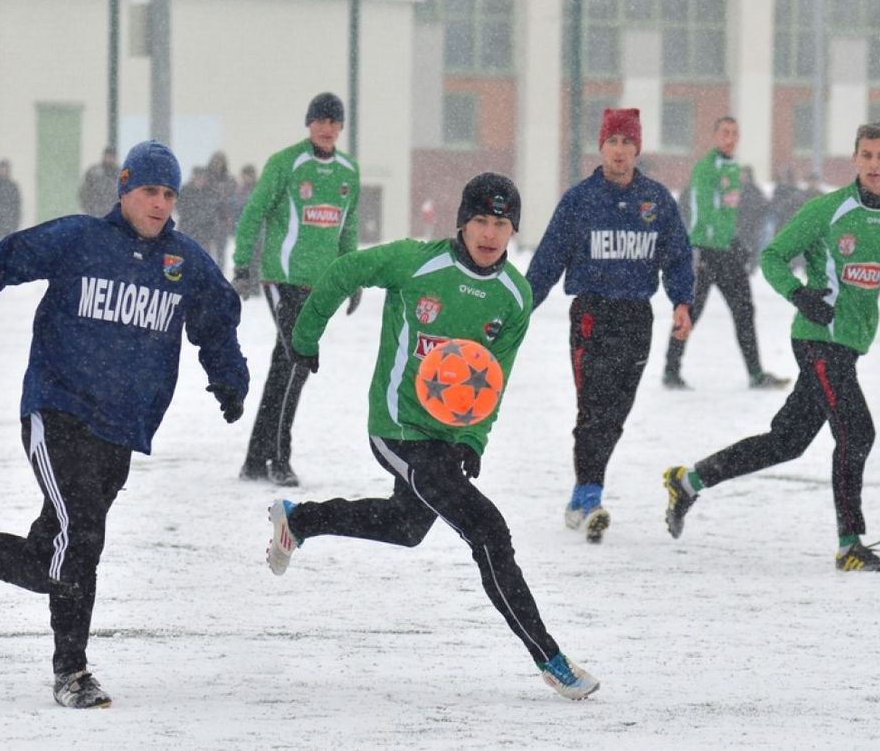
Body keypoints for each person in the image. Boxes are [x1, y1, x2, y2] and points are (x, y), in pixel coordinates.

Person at [0, 140, 250, 709]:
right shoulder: (81, 239)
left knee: (51, 560)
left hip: (120, 429)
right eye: (148, 191)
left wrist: (230, 376)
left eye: (168, 194)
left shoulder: (183, 261)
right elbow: (11, 255)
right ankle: (72, 672)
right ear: (125, 190)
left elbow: (217, 321)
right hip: (56, 409)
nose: (159, 204)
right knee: (83, 537)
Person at [268, 172, 600, 701]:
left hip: (447, 440)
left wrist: (474, 440)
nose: (490, 234)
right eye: (480, 222)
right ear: (462, 223)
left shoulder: (515, 297)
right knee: (489, 531)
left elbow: (494, 377)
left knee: (406, 527)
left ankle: (300, 520)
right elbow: (342, 271)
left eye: (502, 224)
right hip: (397, 429)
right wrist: (303, 339)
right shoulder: (415, 262)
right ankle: (551, 658)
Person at [663, 122, 880, 573]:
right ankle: (850, 545)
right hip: (817, 338)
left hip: (851, 341)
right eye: (866, 155)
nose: (874, 165)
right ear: (855, 158)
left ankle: (688, 481)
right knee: (857, 432)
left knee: (785, 442)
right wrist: (799, 294)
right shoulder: (828, 209)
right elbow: (773, 256)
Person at [526, 108, 695, 544]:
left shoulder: (656, 200)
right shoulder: (579, 200)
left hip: (637, 317)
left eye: (627, 143)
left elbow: (677, 254)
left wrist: (682, 301)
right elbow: (548, 259)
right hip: (591, 315)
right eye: (612, 143)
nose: (620, 152)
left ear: (638, 149)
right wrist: (520, 306)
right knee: (593, 407)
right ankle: (588, 497)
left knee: (616, 414)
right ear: (600, 147)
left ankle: (583, 494)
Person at [232, 92, 361, 487]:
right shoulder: (286, 163)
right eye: (319, 120)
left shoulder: (348, 173)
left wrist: (351, 277)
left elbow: (349, 228)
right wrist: (242, 265)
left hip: (319, 285)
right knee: (299, 360)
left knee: (284, 368)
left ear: (340, 128)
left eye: (333, 121)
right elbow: (254, 212)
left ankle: (256, 459)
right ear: (309, 124)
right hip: (281, 278)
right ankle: (279, 459)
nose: (326, 128)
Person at [662, 116, 788, 391]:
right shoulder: (706, 168)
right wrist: (711, 245)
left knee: (744, 310)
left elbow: (729, 212)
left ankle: (756, 374)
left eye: (734, 133)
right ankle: (671, 371)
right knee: (691, 312)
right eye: (725, 133)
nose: (730, 138)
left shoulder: (734, 169)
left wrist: (735, 242)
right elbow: (706, 213)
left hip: (725, 249)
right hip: (705, 250)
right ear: (714, 136)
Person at [204, 151, 240, 268]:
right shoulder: (206, 180)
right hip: (206, 221)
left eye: (219, 162)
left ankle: (219, 275)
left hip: (222, 220)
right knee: (205, 251)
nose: (217, 165)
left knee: (221, 252)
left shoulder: (230, 180)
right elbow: (201, 198)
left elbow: (234, 200)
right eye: (215, 162)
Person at [735, 165, 769, 274]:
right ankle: (740, 265)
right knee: (739, 245)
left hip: (752, 222)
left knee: (751, 244)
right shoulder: (737, 188)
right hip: (740, 222)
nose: (743, 176)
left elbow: (763, 205)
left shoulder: (754, 189)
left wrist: (755, 215)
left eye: (744, 174)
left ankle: (751, 266)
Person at [176, 166, 215, 248]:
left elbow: (211, 210)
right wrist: (190, 216)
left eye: (202, 178)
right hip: (187, 229)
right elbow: (179, 206)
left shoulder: (209, 192)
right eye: (198, 177)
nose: (200, 181)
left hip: (204, 232)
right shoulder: (185, 190)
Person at [79, 146, 119, 217]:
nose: (109, 159)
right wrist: (88, 208)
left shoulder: (120, 175)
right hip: (94, 213)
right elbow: (84, 191)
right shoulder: (93, 172)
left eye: (112, 157)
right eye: (107, 156)